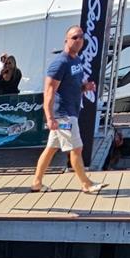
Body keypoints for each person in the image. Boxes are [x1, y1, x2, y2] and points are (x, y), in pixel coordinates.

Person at [31, 26, 105, 195]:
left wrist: (85, 87)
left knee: (51, 148)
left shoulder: (76, 60)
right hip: (63, 115)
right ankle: (86, 183)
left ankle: (36, 183)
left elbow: (72, 86)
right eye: (74, 37)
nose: (79, 40)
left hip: (70, 112)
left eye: (81, 37)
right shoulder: (60, 63)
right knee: (76, 148)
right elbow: (49, 91)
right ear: (66, 40)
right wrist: (50, 117)